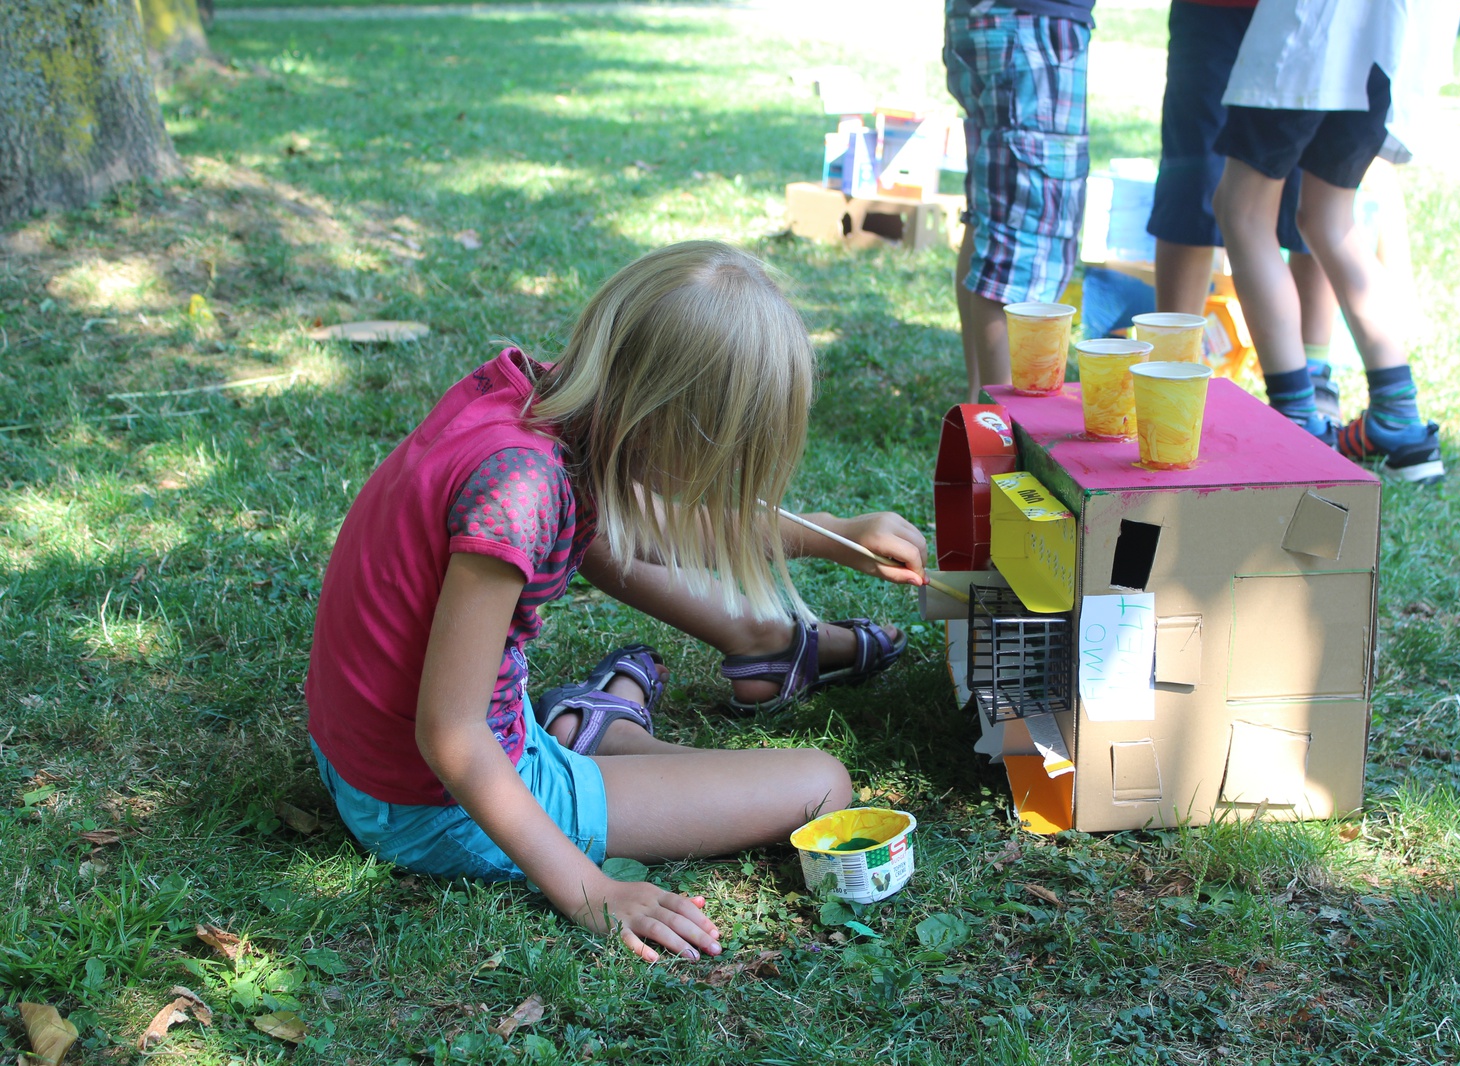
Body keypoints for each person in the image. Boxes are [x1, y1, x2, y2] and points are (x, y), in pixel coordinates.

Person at [304, 241, 929, 962]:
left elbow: (650, 529)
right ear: (671, 428)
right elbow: (452, 735)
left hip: (362, 757)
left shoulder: (537, 410)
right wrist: (588, 889)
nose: (715, 478)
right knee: (820, 782)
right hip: (426, 803)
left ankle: (608, 729)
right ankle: (602, 738)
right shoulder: (520, 494)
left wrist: (832, 535)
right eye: (719, 459)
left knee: (603, 536)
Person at [1211, 0, 1457, 483]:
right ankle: (1399, 419)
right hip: (1390, 45)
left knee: (1242, 211)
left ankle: (1297, 424)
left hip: (1311, 34)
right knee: (1328, 217)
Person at [1146, 0, 1340, 425]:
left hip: (1311, 13)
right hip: (1213, 10)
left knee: (1308, 193)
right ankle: (1171, 374)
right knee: (1194, 179)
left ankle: (1312, 382)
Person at [944, 0, 1095, 403]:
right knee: (1021, 242)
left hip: (999, 21)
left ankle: (981, 417)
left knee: (992, 218)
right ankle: (1004, 431)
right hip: (1032, 26)